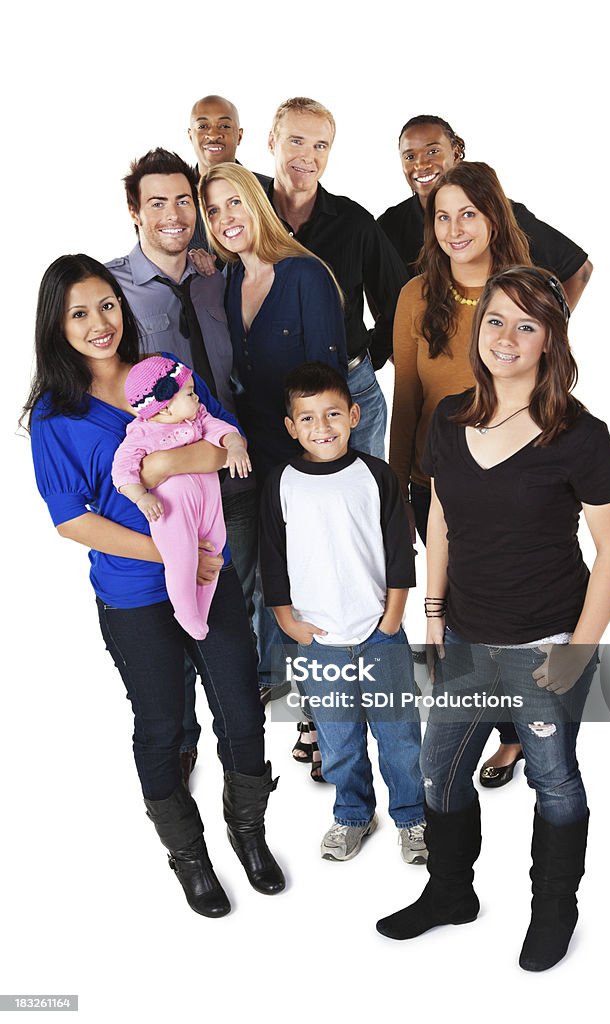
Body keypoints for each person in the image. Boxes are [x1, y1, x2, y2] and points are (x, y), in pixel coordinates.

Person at [376, 267, 610, 972]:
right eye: (495, 320)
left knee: (553, 781)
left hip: (547, 640)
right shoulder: (451, 416)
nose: (507, 337)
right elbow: (440, 515)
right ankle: (450, 893)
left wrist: (580, 651)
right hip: (463, 636)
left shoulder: (580, 436)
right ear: (477, 328)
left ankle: (553, 910)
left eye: (527, 324)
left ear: (551, 338)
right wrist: (432, 612)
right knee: (438, 775)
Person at [26, 255, 285, 918]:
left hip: (209, 572)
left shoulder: (166, 376)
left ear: (123, 306)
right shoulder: (57, 417)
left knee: (243, 710)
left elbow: (222, 445)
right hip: (136, 595)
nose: (98, 323)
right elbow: (71, 520)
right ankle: (189, 857)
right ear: (57, 325)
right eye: (78, 313)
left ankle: (247, 830)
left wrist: (172, 459)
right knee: (162, 724)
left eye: (106, 305)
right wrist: (167, 557)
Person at [107, 147, 261, 770]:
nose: (173, 215)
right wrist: (156, 467)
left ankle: (240, 730)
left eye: (182, 201)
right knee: (174, 594)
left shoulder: (212, 272)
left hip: (230, 456)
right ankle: (180, 731)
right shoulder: (113, 287)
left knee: (236, 591)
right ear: (133, 212)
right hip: (165, 478)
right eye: (156, 203)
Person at [390, 161, 532, 779]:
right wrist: (396, 481)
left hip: (514, 481)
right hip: (434, 482)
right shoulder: (416, 295)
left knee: (505, 607)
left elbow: (548, 390)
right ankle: (475, 714)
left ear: (494, 216)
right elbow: (407, 395)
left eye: (467, 214)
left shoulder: (528, 290)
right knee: (457, 604)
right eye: (441, 216)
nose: (454, 228)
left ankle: (518, 729)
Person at [260, 362, 426, 863]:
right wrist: (287, 621)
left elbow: (400, 550)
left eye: (333, 414)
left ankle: (412, 816)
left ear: (355, 415)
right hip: (319, 641)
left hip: (379, 633)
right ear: (291, 427)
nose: (322, 427)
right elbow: (273, 556)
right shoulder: (283, 482)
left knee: (398, 735)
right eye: (307, 418)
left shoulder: (375, 476)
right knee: (338, 740)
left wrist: (392, 618)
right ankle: (354, 813)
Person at [199, 161, 347, 721]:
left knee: (311, 579)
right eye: (212, 210)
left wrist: (319, 469)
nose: (225, 218)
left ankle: (320, 715)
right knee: (266, 580)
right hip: (250, 455)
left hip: (304, 457)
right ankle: (282, 692)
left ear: (257, 202)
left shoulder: (305, 275)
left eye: (234, 202)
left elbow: (327, 385)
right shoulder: (229, 279)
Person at [262, 96, 409, 456]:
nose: (308, 156)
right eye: (296, 141)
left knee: (364, 500)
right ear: (271, 142)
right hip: (270, 393)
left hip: (351, 386)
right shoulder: (246, 218)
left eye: (320, 145)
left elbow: (402, 299)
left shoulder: (354, 223)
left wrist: (367, 358)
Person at [378, 114, 593, 309]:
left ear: (455, 152)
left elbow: (579, 270)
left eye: (433, 151)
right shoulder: (390, 225)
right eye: (410, 156)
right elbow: (377, 291)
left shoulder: (501, 212)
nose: (422, 164)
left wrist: (547, 331)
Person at [112, 356, 251, 640]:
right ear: (164, 406)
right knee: (182, 559)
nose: (197, 396)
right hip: (171, 508)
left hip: (207, 499)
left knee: (216, 546)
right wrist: (140, 497)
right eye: (189, 392)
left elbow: (222, 430)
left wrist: (235, 445)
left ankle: (202, 607)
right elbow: (122, 470)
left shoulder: (198, 416)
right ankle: (185, 611)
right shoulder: (142, 432)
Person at [186, 94, 270, 252]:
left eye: (224, 126)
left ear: (239, 135)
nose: (213, 134)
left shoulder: (270, 192)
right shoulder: (176, 199)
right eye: (203, 126)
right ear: (190, 135)